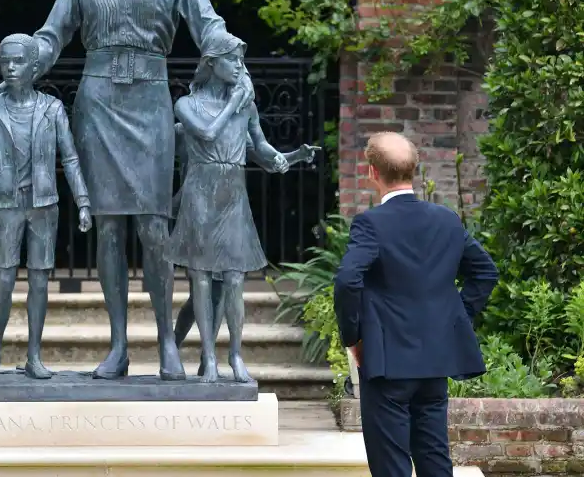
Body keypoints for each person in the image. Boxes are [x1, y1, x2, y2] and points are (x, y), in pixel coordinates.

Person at [0, 0, 255, 381]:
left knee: (153, 225)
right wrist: (25, 58)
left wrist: (233, 60)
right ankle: (119, 345)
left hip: (150, 100)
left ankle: (167, 343)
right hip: (98, 102)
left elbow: (206, 24)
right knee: (107, 229)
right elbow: (54, 32)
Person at [333, 132, 498, 477]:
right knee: (435, 458)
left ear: (372, 172)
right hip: (435, 360)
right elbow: (484, 272)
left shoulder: (371, 223)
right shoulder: (446, 219)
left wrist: (354, 339)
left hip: (387, 362)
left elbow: (348, 279)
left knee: (391, 466)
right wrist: (454, 319)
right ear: (414, 170)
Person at [165, 35, 314, 383]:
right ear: (211, 64)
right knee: (200, 278)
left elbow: (260, 148)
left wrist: (288, 157)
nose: (238, 66)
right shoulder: (187, 105)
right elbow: (205, 134)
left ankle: (234, 354)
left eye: (239, 60)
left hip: (232, 193)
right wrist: (233, 104)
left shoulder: (244, 105)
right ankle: (208, 357)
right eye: (231, 59)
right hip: (200, 191)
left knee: (234, 279)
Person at [0, 33, 92, 379]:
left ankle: (34, 355)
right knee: (3, 281)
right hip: (6, 205)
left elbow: (71, 158)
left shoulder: (51, 108)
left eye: (18, 61)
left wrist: (83, 202)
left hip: (44, 204)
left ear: (35, 67)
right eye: (5, 61)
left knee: (39, 282)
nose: (11, 68)